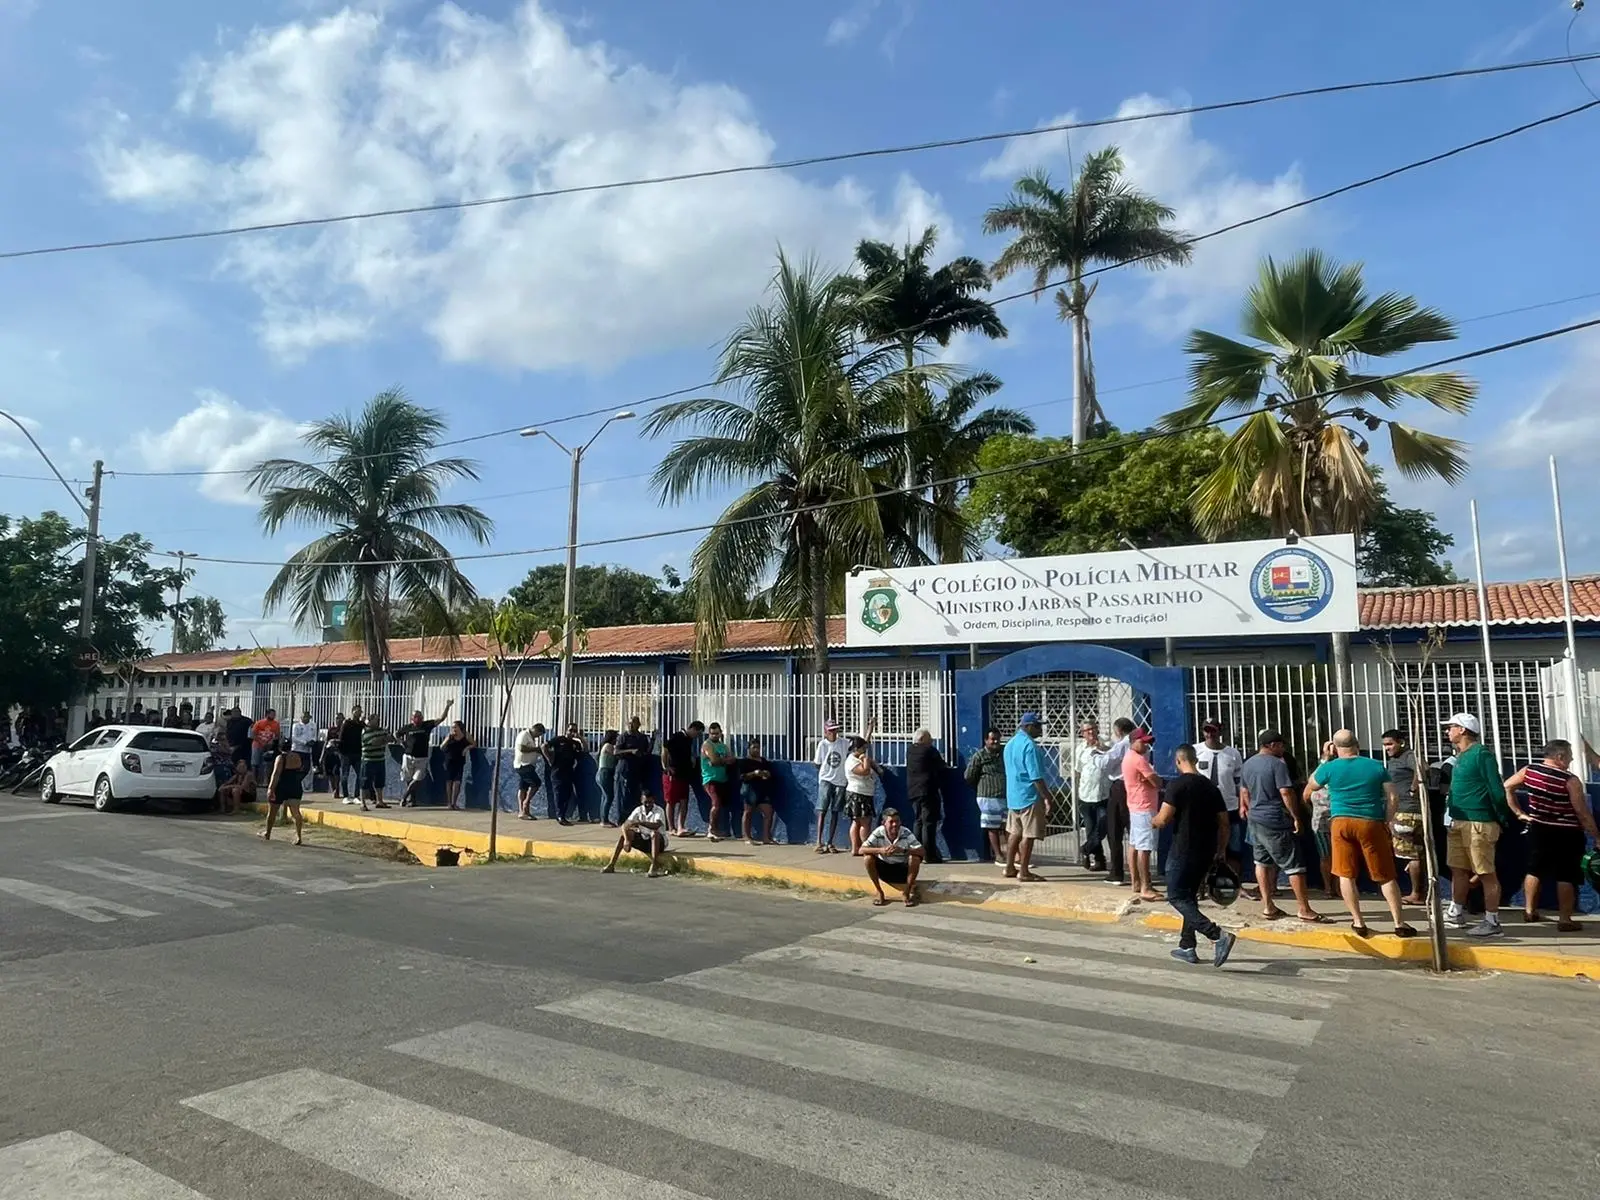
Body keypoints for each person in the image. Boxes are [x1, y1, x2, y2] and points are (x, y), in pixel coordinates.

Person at [1307, 730, 1416, 938]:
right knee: (1385, 875)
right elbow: (1393, 797)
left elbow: (1312, 784)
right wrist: (1386, 819)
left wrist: (1325, 758)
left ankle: (1358, 922)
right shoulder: (1375, 766)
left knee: (1345, 874)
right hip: (1370, 821)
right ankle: (1399, 923)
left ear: (1336, 747)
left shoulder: (1329, 768)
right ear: (1357, 744)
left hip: (1340, 822)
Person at [1152, 743, 1237, 967]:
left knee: (1176, 896)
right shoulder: (1210, 787)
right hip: (1207, 850)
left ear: (1178, 761)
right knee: (1189, 897)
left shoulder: (1177, 785)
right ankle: (1186, 946)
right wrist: (1220, 851)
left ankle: (1217, 935)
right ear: (1195, 760)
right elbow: (1225, 824)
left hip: (1183, 849)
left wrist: (1153, 820)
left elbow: (1163, 819)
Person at [1505, 739, 1598, 931]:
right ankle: (1565, 919)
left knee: (1534, 870)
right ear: (1560, 757)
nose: (1572, 759)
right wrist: (1596, 835)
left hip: (1538, 829)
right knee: (1566, 875)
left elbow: (1507, 786)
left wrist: (1519, 812)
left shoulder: (1529, 770)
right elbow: (1581, 812)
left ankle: (1530, 910)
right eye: (1570, 756)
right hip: (1567, 833)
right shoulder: (1570, 780)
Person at [1239, 730, 1323, 923]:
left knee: (1261, 863)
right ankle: (1304, 908)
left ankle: (1268, 906)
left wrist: (1247, 808)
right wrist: (1295, 816)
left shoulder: (1248, 763)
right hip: (1275, 819)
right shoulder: (1277, 764)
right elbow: (1286, 792)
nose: (1283, 749)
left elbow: (1244, 790)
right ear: (1272, 745)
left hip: (1255, 820)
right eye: (1281, 745)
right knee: (1294, 866)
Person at [1443, 712, 1512, 938]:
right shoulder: (1461, 756)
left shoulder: (1482, 754)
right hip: (1458, 820)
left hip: (1479, 821)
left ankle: (1492, 921)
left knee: (1485, 873)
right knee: (1458, 869)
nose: (1447, 731)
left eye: (1451, 727)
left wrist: (1501, 818)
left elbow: (1497, 790)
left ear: (1462, 730)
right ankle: (1456, 911)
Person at [1195, 720, 1246, 886]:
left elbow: (1239, 782)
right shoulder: (1196, 751)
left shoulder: (1232, 754)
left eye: (1213, 730)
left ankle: (1233, 883)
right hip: (1203, 808)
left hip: (1229, 805)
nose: (1210, 734)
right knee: (1203, 847)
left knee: (1233, 848)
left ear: (1220, 731)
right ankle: (1202, 883)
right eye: (1206, 730)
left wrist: (1243, 803)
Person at [1002, 712, 1049, 883]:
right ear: (1028, 726)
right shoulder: (1030, 746)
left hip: (1013, 796)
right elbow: (1035, 776)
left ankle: (1009, 867)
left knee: (1014, 832)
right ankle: (1024, 871)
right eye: (1037, 726)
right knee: (1028, 835)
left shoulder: (1010, 744)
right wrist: (1047, 797)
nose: (1039, 730)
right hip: (1029, 796)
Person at [1382, 729, 1425, 905]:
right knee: (1413, 854)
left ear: (1401, 742)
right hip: (1404, 811)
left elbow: (1422, 767)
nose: (1387, 748)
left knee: (1411, 855)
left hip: (1407, 811)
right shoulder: (1395, 760)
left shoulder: (1408, 756)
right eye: (1384, 745)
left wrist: (1413, 789)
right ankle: (1417, 891)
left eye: (1390, 744)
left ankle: (1416, 893)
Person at [1122, 727, 1162, 902]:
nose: (1146, 745)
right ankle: (1146, 886)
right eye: (1143, 742)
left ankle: (1136, 882)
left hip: (1135, 805)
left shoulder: (1128, 758)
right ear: (1134, 742)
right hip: (1144, 806)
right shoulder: (1139, 760)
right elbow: (1157, 782)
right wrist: (1154, 779)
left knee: (1134, 844)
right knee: (1144, 847)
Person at [861, 807, 924, 908]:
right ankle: (879, 892)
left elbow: (922, 851)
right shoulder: (878, 832)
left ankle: (906, 893)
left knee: (915, 858)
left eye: (897, 821)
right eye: (891, 822)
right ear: (884, 823)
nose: (895, 825)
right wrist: (880, 850)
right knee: (868, 858)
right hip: (884, 870)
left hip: (902, 871)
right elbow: (862, 849)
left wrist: (903, 850)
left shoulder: (906, 832)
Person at [602, 789, 670, 878]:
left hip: (658, 842)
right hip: (644, 839)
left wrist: (641, 823)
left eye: (650, 802)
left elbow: (656, 825)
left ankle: (654, 866)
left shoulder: (659, 810)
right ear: (641, 800)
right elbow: (625, 825)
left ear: (653, 800)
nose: (648, 804)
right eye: (646, 802)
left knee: (654, 833)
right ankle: (611, 864)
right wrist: (627, 839)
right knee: (624, 835)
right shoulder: (638, 810)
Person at [964, 728, 1008, 863]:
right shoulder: (979, 756)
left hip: (1005, 796)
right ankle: (998, 855)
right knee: (993, 827)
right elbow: (969, 776)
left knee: (1009, 826)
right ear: (986, 740)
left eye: (997, 739)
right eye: (992, 739)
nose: (995, 742)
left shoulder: (1004, 753)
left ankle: (1014, 854)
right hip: (988, 797)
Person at [399, 700, 454, 807]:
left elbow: (441, 719)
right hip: (408, 756)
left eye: (420, 716)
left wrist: (447, 706)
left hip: (422, 758)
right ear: (412, 718)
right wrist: (401, 742)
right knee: (408, 778)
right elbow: (397, 734)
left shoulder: (426, 725)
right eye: (416, 716)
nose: (418, 718)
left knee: (417, 779)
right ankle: (413, 800)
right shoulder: (407, 727)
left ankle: (404, 796)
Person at [905, 729, 946, 865]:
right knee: (928, 823)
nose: (932, 741)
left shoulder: (910, 750)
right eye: (929, 739)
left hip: (913, 791)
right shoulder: (929, 751)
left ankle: (917, 853)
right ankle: (929, 855)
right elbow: (941, 766)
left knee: (918, 821)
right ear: (922, 739)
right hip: (927, 791)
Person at [1102, 718, 1135, 885]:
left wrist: (1099, 755)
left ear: (1119, 731)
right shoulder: (1139, 743)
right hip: (1134, 787)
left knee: (1114, 830)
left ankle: (1116, 872)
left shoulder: (1122, 744)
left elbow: (1107, 763)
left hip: (1120, 787)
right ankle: (1137, 871)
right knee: (1134, 832)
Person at [1073, 722, 1109, 872]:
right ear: (1082, 733)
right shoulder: (1080, 749)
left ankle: (1086, 849)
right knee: (1090, 828)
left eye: (1093, 729)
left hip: (1103, 794)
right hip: (1086, 795)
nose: (1091, 733)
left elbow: (1113, 757)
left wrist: (1102, 748)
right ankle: (1098, 859)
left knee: (1103, 825)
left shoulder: (1106, 743)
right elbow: (1078, 770)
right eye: (1087, 730)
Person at [813, 718, 851, 854]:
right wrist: (827, 773)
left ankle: (830, 842)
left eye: (835, 730)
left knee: (835, 811)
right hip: (826, 780)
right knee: (822, 811)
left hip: (840, 781)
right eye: (831, 731)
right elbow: (817, 763)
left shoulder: (844, 743)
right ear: (825, 732)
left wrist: (869, 728)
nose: (834, 733)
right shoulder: (822, 745)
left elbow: (860, 744)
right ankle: (819, 841)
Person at [660, 719, 702, 837]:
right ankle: (671, 828)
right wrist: (666, 767)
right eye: (697, 733)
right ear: (693, 729)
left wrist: (692, 758)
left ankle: (681, 826)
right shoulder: (677, 736)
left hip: (685, 774)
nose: (697, 736)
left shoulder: (689, 740)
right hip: (673, 774)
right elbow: (665, 749)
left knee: (684, 801)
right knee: (671, 801)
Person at [1308, 740, 1338, 899]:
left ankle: (1339, 887)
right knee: (1325, 856)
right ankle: (1328, 887)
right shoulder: (1319, 772)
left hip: (1339, 819)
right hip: (1321, 821)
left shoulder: (1341, 769)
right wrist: (1325, 758)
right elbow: (1307, 792)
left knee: (1342, 856)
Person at [844, 733, 882, 854]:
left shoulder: (857, 758)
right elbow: (865, 771)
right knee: (864, 822)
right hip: (858, 793)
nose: (865, 751)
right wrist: (865, 759)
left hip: (864, 792)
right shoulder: (852, 761)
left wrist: (870, 728)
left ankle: (857, 848)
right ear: (856, 749)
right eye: (863, 749)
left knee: (859, 821)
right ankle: (863, 847)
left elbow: (866, 741)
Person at [739, 738, 779, 845]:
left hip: (763, 790)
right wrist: (754, 773)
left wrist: (766, 774)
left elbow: (771, 774)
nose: (756, 750)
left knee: (768, 812)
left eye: (758, 748)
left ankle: (766, 837)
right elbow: (742, 777)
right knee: (748, 812)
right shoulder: (744, 762)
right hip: (750, 790)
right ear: (749, 749)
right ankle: (746, 836)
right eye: (754, 748)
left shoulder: (764, 761)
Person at [261, 747, 305, 845]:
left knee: (272, 811)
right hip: (295, 785)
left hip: (281, 786)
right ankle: (299, 836)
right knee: (296, 813)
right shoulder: (297, 757)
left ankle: (268, 833)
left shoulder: (280, 758)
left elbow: (276, 774)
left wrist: (270, 788)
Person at [700, 721, 734, 841]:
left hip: (722, 779)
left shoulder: (723, 746)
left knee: (721, 805)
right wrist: (721, 760)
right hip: (710, 779)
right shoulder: (707, 745)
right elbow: (714, 760)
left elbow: (732, 760)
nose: (714, 736)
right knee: (716, 803)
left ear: (720, 733)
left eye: (716, 733)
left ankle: (718, 829)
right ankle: (711, 829)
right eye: (712, 733)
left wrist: (719, 760)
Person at [547, 723, 585, 825]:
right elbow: (544, 746)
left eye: (575, 731)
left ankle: (563, 815)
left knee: (567, 794)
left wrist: (581, 739)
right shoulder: (559, 740)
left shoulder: (575, 743)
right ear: (566, 730)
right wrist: (550, 760)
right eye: (571, 730)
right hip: (558, 771)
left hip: (569, 771)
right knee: (559, 794)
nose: (572, 733)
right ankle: (560, 816)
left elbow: (584, 751)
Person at [359, 712, 393, 810]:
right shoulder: (365, 731)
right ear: (370, 721)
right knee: (365, 782)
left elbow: (390, 738)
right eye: (376, 720)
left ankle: (380, 801)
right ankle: (363, 803)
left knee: (380, 782)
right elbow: (373, 742)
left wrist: (384, 739)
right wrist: (384, 739)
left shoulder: (381, 730)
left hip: (380, 759)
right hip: (368, 760)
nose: (379, 722)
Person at [515, 722, 546, 820]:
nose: (538, 736)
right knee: (536, 783)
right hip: (523, 765)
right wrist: (536, 749)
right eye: (539, 734)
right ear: (535, 729)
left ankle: (523, 812)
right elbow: (521, 748)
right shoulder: (524, 734)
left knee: (523, 787)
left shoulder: (531, 737)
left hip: (529, 765)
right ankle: (525, 803)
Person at [336, 706, 366, 803]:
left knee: (360, 775)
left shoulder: (361, 724)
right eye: (356, 711)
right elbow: (341, 738)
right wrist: (341, 751)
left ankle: (357, 796)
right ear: (352, 712)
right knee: (345, 774)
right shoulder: (347, 723)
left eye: (360, 712)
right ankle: (346, 796)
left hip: (357, 752)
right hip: (346, 753)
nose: (358, 713)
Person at [441, 720, 473, 811]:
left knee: (457, 782)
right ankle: (449, 803)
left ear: (460, 728)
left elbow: (474, 743)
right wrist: (447, 739)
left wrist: (467, 748)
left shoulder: (465, 735)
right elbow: (442, 747)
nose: (453, 729)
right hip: (449, 761)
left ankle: (454, 803)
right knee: (449, 781)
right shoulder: (450, 736)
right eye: (452, 727)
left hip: (460, 761)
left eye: (455, 727)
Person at [597, 730, 620, 826]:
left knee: (605, 797)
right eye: (616, 738)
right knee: (609, 796)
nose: (617, 740)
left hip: (604, 773)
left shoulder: (605, 746)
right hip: (605, 773)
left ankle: (603, 818)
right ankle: (604, 820)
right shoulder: (608, 746)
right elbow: (616, 754)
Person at [290, 710, 318, 791]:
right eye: (304, 717)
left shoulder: (313, 725)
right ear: (301, 717)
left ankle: (298, 782)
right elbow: (294, 738)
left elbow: (314, 736)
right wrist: (305, 742)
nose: (305, 718)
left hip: (307, 751)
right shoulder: (296, 725)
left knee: (306, 768)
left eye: (307, 717)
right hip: (297, 750)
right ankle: (296, 785)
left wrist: (312, 741)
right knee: (297, 767)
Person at [250, 708, 280, 780]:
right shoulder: (259, 723)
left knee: (266, 764)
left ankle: (265, 780)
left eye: (274, 714)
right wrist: (260, 742)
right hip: (257, 745)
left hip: (269, 747)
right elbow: (253, 735)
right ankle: (254, 780)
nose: (273, 716)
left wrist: (271, 742)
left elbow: (277, 736)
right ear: (267, 714)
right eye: (272, 714)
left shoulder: (276, 724)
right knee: (255, 763)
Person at [225, 707, 252, 781]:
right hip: (231, 746)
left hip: (244, 747)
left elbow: (250, 735)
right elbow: (227, 733)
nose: (234, 714)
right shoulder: (229, 721)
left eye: (236, 712)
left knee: (244, 764)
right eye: (233, 712)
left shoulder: (247, 721)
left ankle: (245, 780)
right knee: (233, 764)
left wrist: (238, 746)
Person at [321, 713, 345, 799]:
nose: (338, 720)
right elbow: (326, 742)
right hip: (329, 753)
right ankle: (333, 789)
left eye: (340, 718)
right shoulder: (331, 729)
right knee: (330, 773)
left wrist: (337, 741)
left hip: (338, 753)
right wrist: (322, 756)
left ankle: (337, 789)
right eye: (337, 718)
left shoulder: (344, 729)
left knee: (336, 771)